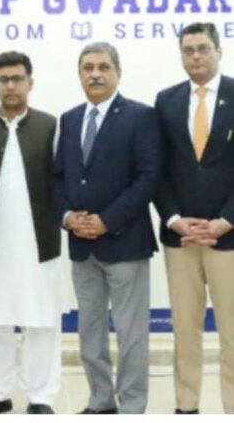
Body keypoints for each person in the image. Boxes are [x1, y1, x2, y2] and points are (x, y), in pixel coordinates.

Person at [54, 41, 160, 414]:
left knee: (131, 334)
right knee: (90, 331)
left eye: (103, 67)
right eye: (88, 68)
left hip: (125, 242)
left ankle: (131, 406)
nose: (95, 74)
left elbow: (148, 178)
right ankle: (101, 402)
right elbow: (59, 178)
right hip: (82, 246)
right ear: (79, 74)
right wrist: (68, 217)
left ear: (118, 72)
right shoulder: (69, 119)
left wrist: (106, 220)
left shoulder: (140, 116)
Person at [0, 51, 61, 415]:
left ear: (30, 83)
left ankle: (41, 396)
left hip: (39, 239)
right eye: (4, 79)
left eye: (17, 78)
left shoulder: (51, 126)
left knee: (42, 319)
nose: (11, 85)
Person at [155, 22, 234, 414]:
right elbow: (156, 169)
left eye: (203, 48)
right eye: (188, 50)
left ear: (219, 51)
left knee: (232, 333)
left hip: (228, 236)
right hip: (181, 238)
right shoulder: (166, 101)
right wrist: (173, 218)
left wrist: (226, 220)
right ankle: (186, 408)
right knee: (185, 331)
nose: (196, 56)